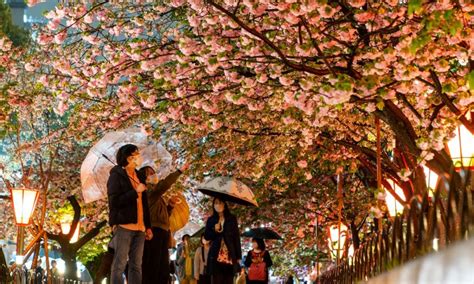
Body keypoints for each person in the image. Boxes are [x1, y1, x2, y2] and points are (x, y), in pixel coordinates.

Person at [107, 144, 152, 284]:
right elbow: (114, 201)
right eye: (135, 155)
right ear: (128, 158)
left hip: (140, 227)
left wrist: (148, 226)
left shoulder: (138, 176)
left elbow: (144, 204)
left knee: (136, 265)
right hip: (124, 225)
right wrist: (135, 192)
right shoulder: (116, 176)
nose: (139, 157)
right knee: (119, 263)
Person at [138, 163, 189, 284]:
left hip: (162, 231)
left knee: (162, 266)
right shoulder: (148, 191)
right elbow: (163, 185)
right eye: (149, 173)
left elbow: (163, 215)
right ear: (144, 178)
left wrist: (170, 206)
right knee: (154, 265)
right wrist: (179, 171)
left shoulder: (156, 195)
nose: (153, 175)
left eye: (153, 172)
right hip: (154, 231)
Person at [204, 198, 242, 284]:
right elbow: (206, 236)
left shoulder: (231, 218)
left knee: (228, 280)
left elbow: (236, 237)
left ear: (224, 204)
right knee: (217, 280)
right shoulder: (211, 219)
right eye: (215, 203)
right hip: (215, 254)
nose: (217, 205)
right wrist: (215, 230)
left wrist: (238, 256)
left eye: (219, 202)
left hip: (229, 255)